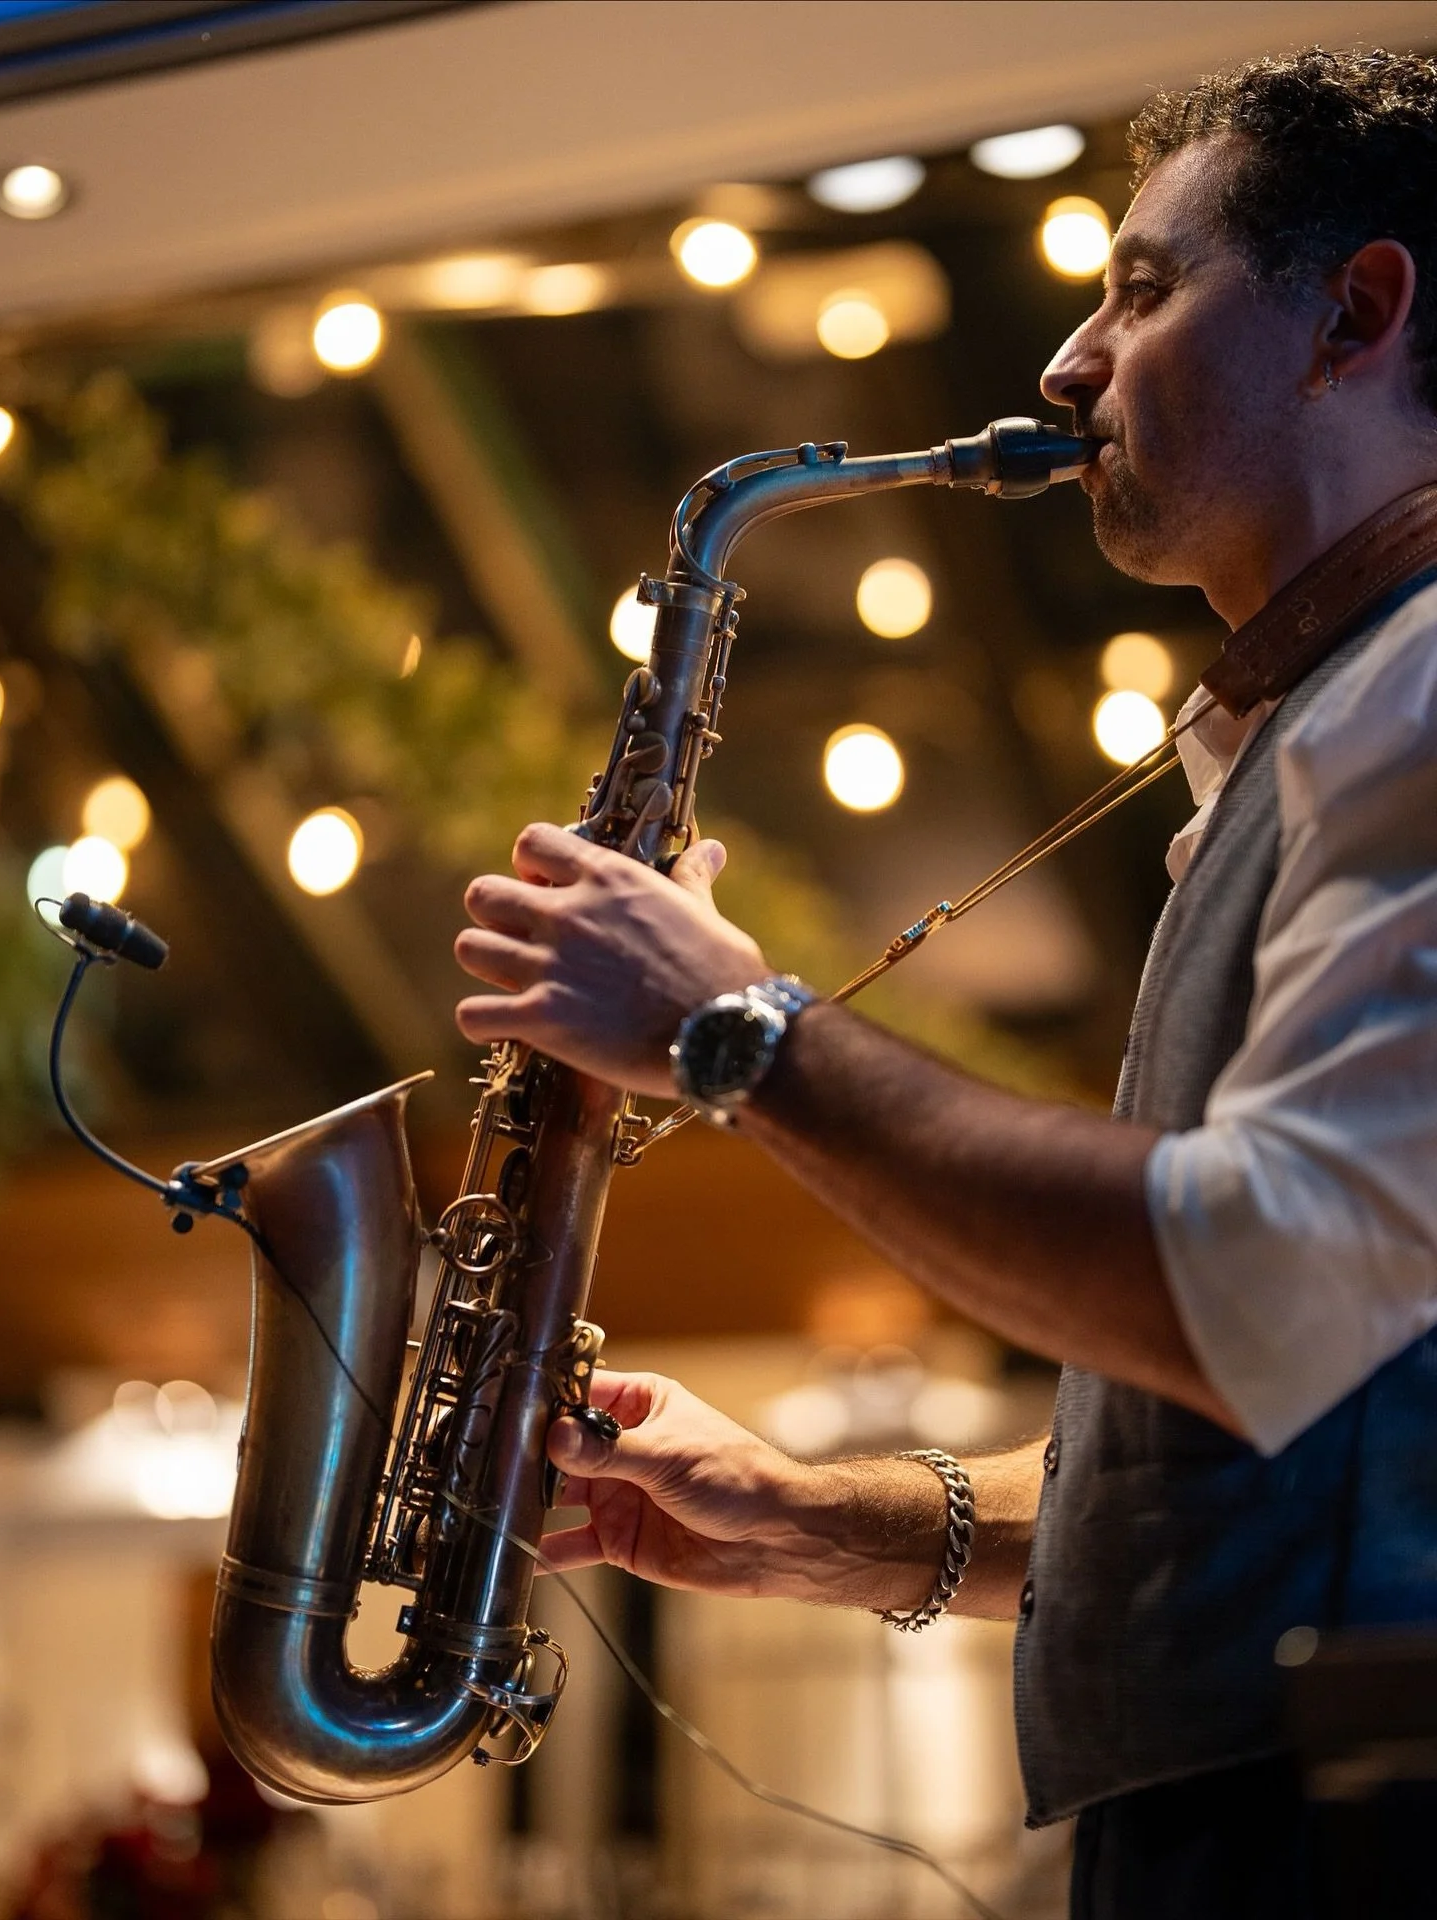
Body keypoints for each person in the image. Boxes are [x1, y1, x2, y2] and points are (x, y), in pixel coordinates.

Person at [454, 48, 1437, 1920]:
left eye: (1143, 290)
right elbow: (1280, 1418)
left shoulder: (1419, 696)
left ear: (1354, 319)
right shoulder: (1326, 729)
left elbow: (1254, 1275)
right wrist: (833, 1524)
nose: (1068, 366)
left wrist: (731, 1035)